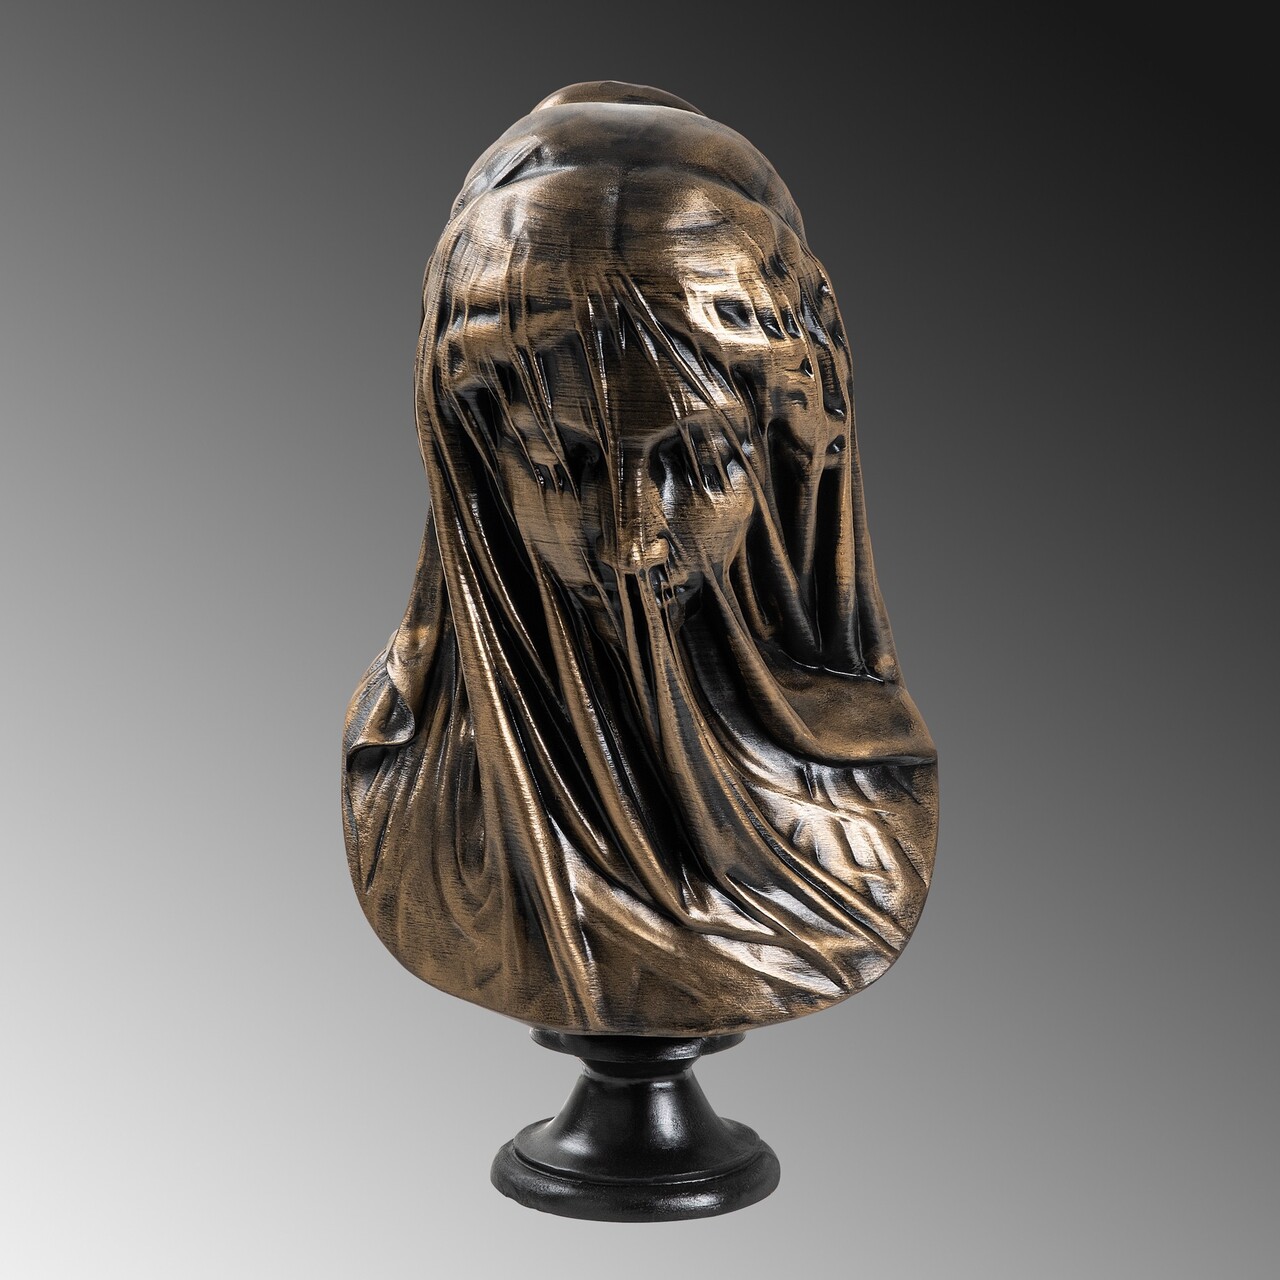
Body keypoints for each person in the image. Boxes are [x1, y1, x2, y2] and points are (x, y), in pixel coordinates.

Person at [342, 82, 937, 1037]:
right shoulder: (416, 783)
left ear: (782, 448)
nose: (629, 544)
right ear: (474, 455)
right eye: (562, 464)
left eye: (696, 460)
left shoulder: (863, 793)